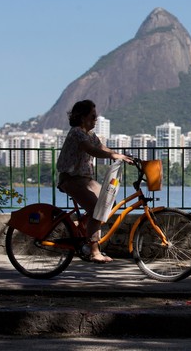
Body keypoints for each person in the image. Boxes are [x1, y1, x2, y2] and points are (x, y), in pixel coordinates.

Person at [57, 100, 132, 263]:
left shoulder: (89, 134)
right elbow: (91, 150)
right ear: (82, 117)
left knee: (107, 203)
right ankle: (94, 251)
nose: (95, 119)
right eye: (92, 116)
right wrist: (114, 156)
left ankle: (79, 228)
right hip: (72, 179)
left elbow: (101, 147)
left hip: (85, 180)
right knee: (96, 211)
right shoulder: (77, 133)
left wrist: (122, 156)